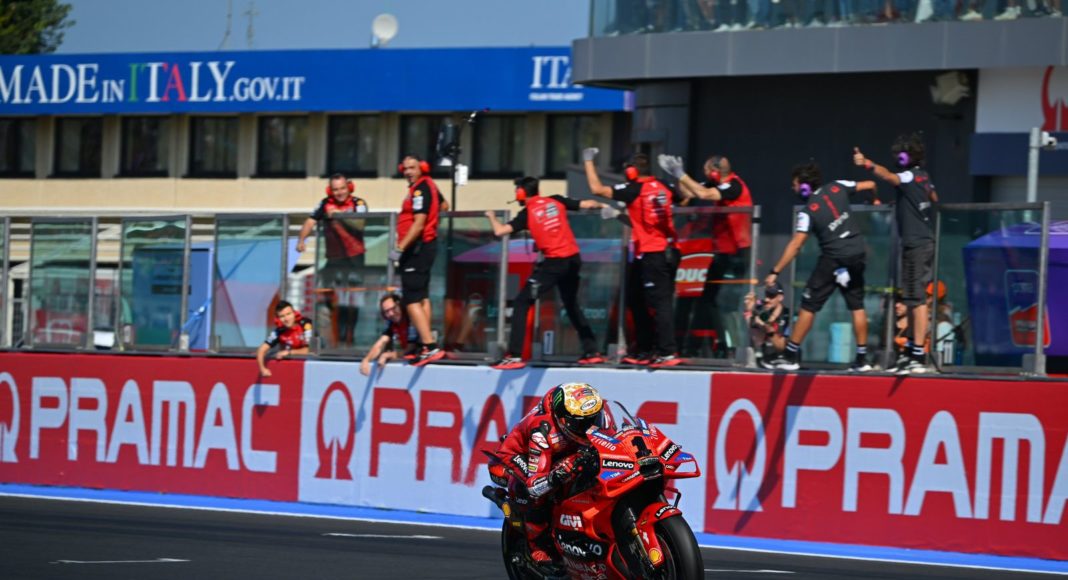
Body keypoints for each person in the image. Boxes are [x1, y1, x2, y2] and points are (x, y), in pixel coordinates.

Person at [485, 177, 610, 370]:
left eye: (517, 191)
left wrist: (491, 216)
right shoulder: (556, 200)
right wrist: (604, 206)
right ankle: (592, 351)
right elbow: (588, 204)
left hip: (554, 263)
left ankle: (514, 355)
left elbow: (500, 231)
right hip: (573, 259)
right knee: (571, 304)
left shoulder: (527, 213)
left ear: (521, 193)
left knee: (521, 302)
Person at [764, 162, 878, 372]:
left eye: (795, 185)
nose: (793, 188)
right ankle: (862, 360)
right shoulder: (837, 186)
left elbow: (796, 245)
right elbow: (871, 184)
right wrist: (874, 201)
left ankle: (790, 356)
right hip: (856, 254)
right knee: (857, 306)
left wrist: (775, 271)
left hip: (833, 259)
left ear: (805, 187)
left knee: (809, 305)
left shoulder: (807, 213)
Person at [489, 383, 611, 567]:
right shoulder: (542, 433)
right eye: (582, 423)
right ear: (563, 420)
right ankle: (536, 546)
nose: (590, 426)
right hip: (520, 455)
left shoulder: (592, 410)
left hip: (562, 450)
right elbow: (535, 485)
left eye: (594, 419)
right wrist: (557, 476)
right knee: (536, 493)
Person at [584, 148, 682, 368]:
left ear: (631, 171)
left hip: (654, 253)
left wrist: (588, 161)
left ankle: (667, 352)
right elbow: (682, 200)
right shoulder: (663, 186)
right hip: (659, 251)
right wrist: (618, 215)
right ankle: (646, 348)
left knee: (660, 302)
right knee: (635, 298)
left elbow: (596, 189)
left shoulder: (634, 188)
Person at [854, 134, 938, 373]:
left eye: (898, 155)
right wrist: (905, 205)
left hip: (917, 244)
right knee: (911, 298)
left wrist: (867, 163)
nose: (896, 158)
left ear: (906, 156)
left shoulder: (909, 175)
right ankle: (912, 351)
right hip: (919, 242)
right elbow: (934, 198)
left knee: (916, 299)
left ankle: (918, 355)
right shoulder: (924, 176)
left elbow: (889, 176)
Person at [660, 154, 754, 358]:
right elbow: (688, 192)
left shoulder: (733, 186)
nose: (704, 174)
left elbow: (704, 193)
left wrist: (681, 174)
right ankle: (720, 346)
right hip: (722, 253)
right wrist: (677, 175)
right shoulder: (716, 183)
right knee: (708, 299)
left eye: (706, 170)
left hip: (736, 253)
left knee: (726, 303)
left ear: (715, 173)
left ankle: (736, 348)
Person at [295, 173, 369, 349]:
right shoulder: (324, 203)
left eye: (342, 188)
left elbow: (360, 224)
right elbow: (310, 221)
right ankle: (330, 337)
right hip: (334, 259)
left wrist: (339, 215)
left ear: (349, 187)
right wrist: (301, 240)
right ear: (330, 190)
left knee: (351, 301)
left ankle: (349, 337)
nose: (339, 193)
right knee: (327, 296)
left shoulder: (358, 203)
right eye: (335, 190)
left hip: (355, 258)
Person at [392, 155, 447, 367]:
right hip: (423, 246)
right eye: (405, 168)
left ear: (422, 168)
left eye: (412, 168)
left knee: (411, 298)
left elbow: (419, 223)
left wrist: (400, 248)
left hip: (417, 248)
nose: (408, 172)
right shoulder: (428, 186)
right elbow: (445, 205)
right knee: (422, 297)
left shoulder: (420, 189)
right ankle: (425, 344)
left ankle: (430, 346)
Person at [359, 293, 418, 376]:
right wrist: (366, 360)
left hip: (419, 363)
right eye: (386, 311)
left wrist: (389, 355)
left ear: (399, 305)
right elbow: (381, 343)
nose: (391, 314)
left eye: (393, 308)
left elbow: (412, 348)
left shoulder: (411, 317)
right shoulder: (391, 322)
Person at [256, 301, 312, 377]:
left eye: (288, 314)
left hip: (310, 367)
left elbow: (311, 350)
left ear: (294, 313)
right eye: (282, 316)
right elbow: (261, 350)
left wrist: (289, 352)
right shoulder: (279, 331)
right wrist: (263, 369)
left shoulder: (306, 324)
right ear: (278, 319)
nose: (286, 319)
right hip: (293, 369)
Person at [744, 281, 790, 367]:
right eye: (766, 295)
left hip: (782, 366)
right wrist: (749, 310)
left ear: (780, 297)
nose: (766, 299)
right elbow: (758, 341)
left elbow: (781, 347)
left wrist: (766, 325)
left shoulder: (788, 316)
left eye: (771, 296)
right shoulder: (760, 310)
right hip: (762, 364)